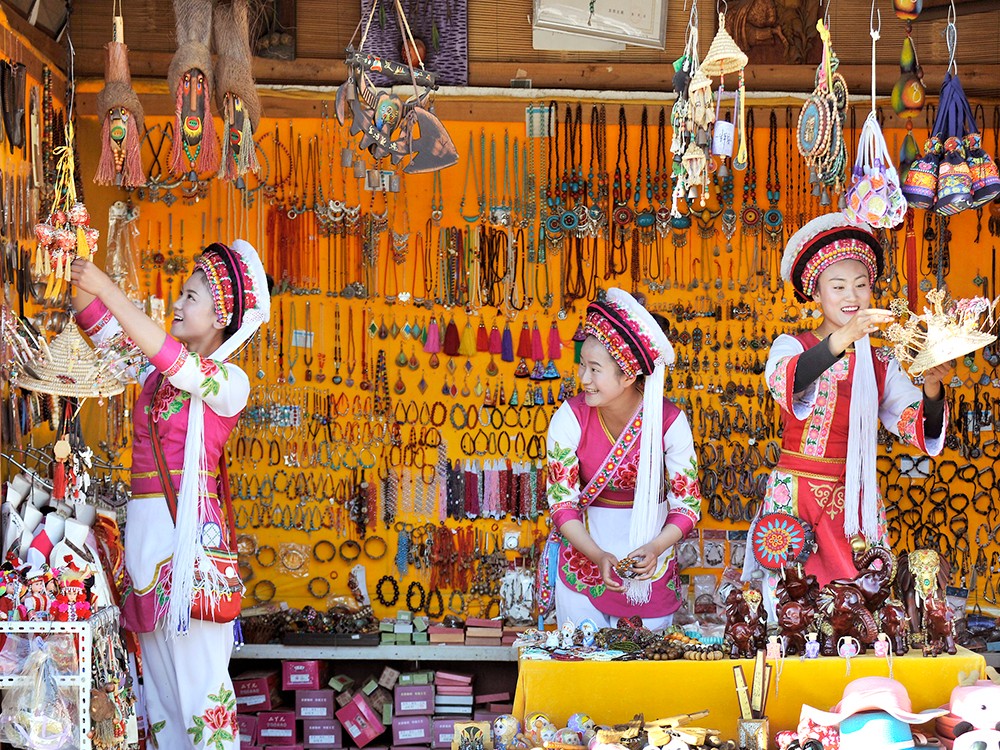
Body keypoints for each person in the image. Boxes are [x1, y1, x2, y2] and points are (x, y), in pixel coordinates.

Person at [71, 240, 270, 750]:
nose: (178, 305)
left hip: (191, 556)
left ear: (221, 316)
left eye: (190, 296)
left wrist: (108, 287)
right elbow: (98, 324)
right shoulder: (154, 376)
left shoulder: (230, 382)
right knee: (162, 707)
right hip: (147, 551)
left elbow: (174, 359)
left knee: (203, 704)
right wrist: (74, 257)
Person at [743, 213, 949, 615]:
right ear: (817, 294)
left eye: (860, 284)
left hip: (856, 499)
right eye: (837, 286)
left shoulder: (881, 362)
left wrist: (932, 387)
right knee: (792, 608)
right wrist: (844, 338)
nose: (850, 295)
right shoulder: (792, 345)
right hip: (797, 497)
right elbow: (787, 381)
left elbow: (916, 425)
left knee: (861, 603)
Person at [542, 287, 701, 630]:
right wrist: (597, 555)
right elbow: (561, 502)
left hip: (650, 563)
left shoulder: (669, 421)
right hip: (584, 556)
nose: (584, 379)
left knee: (646, 662)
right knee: (581, 658)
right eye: (582, 365)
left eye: (595, 369)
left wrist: (656, 548)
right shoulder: (570, 417)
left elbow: (687, 504)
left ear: (628, 376)